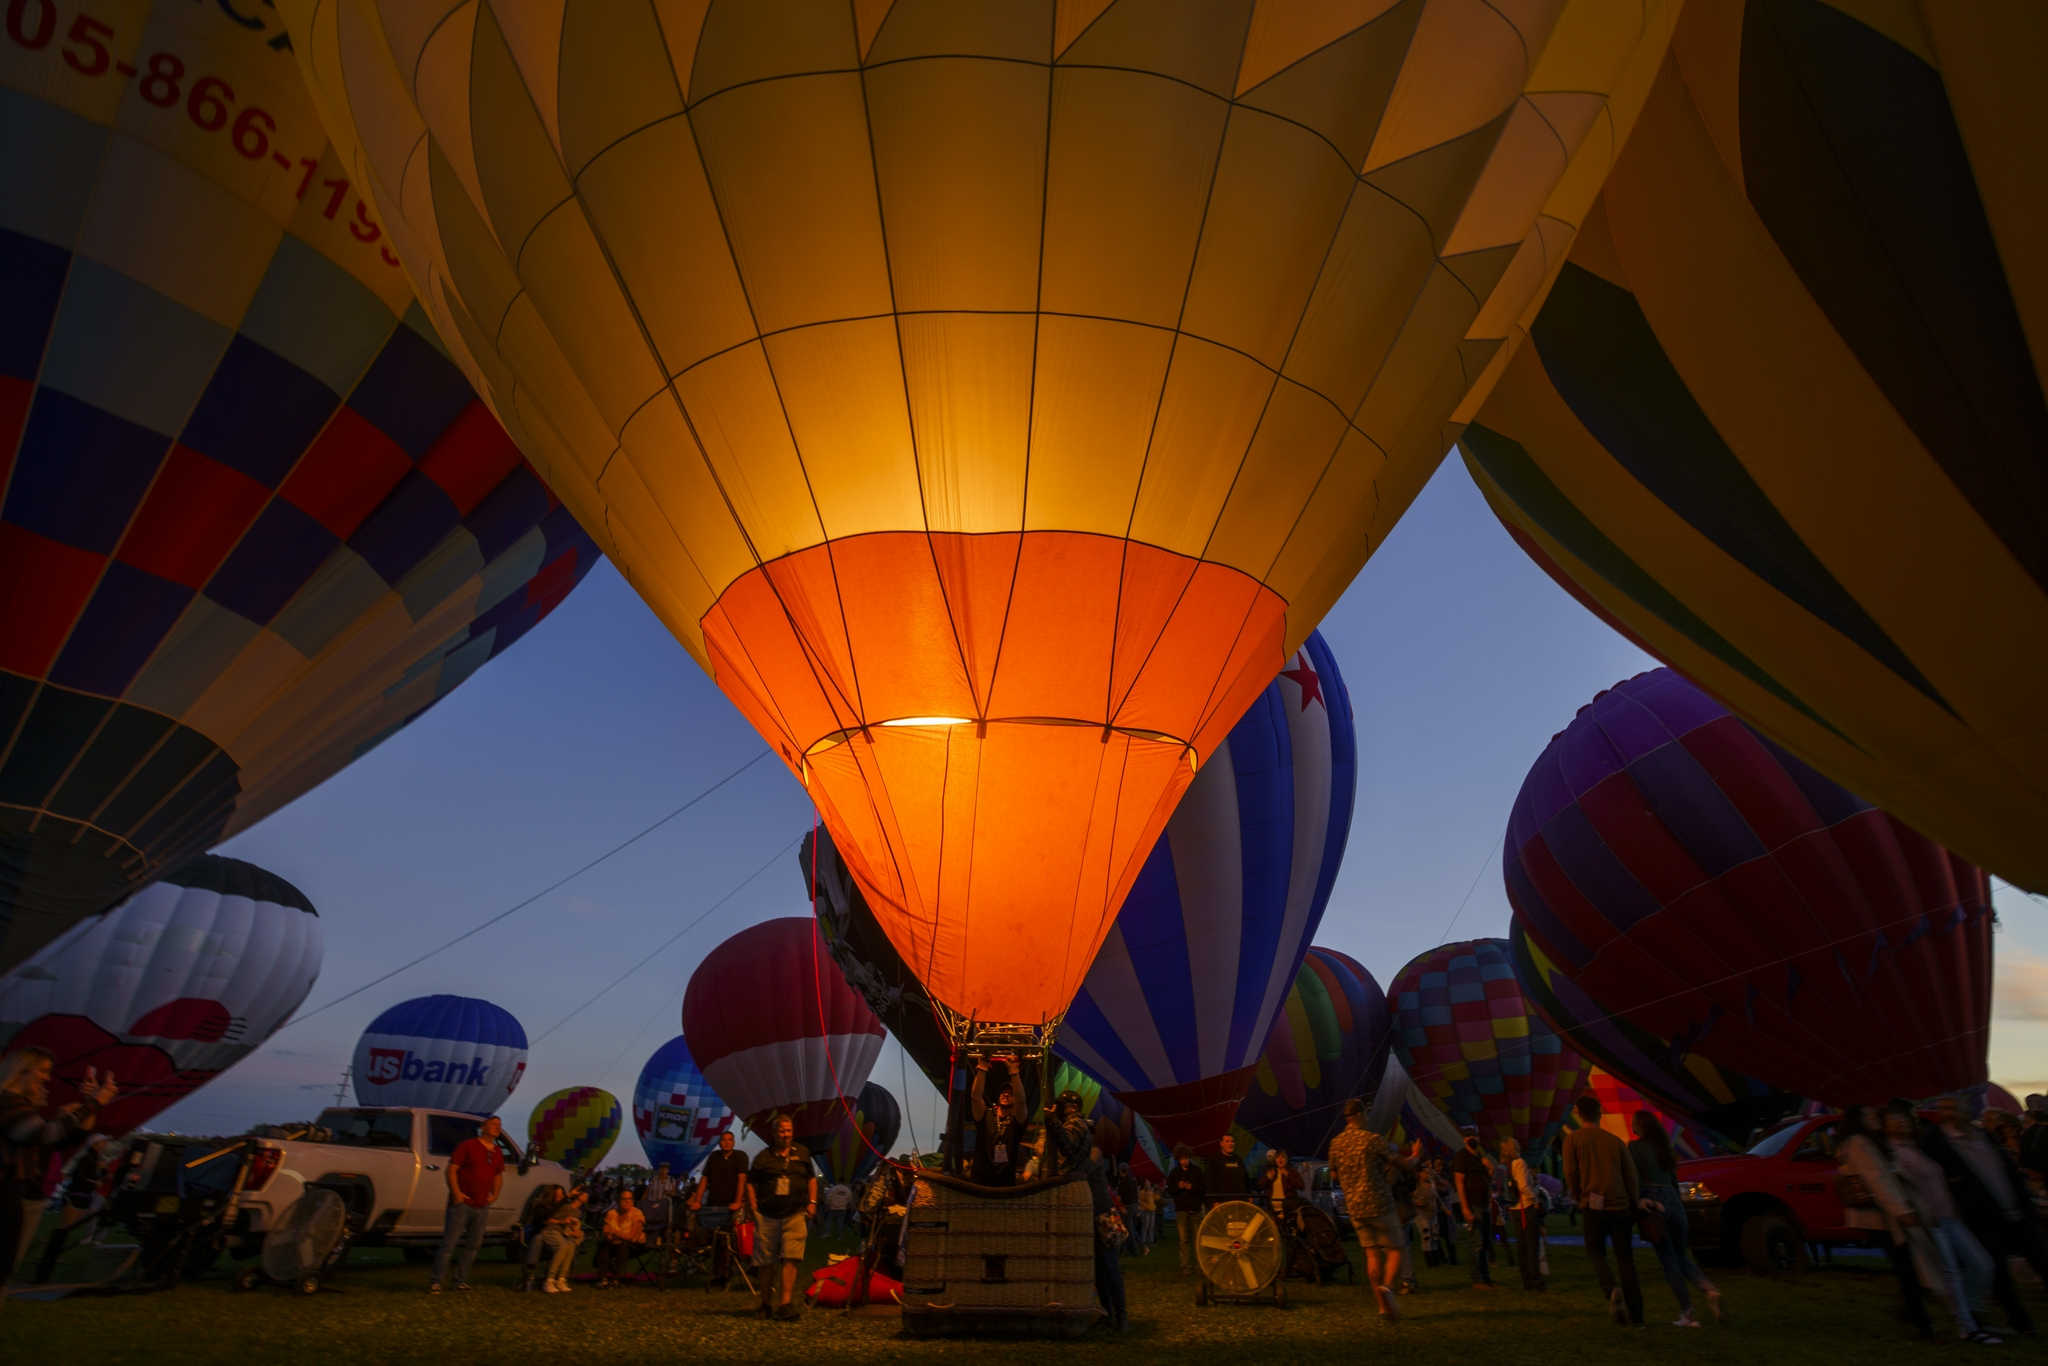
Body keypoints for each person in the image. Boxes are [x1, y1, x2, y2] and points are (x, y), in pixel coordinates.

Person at [1917, 1094, 2047, 1335]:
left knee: (2043, 1259)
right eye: (1944, 1108)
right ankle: (2020, 1324)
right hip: (1985, 1218)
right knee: (1999, 1274)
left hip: (2016, 1212)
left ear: (1967, 1109)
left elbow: (2007, 1168)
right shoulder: (1936, 1141)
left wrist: (2026, 1202)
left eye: (1954, 1107)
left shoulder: (1983, 1135)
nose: (1950, 1112)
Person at [1879, 1101, 2001, 1345]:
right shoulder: (1892, 1154)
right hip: (1930, 1221)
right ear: (1884, 1126)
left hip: (1949, 1217)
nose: (1901, 1121)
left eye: (1903, 1117)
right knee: (1951, 1274)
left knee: (1983, 1265)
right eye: (1894, 1118)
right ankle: (1967, 1327)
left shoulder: (1919, 1148)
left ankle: (1967, 1312)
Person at [1, 1049, 113, 1306]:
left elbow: (66, 1138)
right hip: (6, 1193)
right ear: (20, 1071)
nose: (47, 1079)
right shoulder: (6, 1102)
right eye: (42, 1070)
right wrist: (93, 1104)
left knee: (7, 1266)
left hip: (16, 1195)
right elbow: (47, 1134)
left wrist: (89, 1104)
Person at [1835, 1105, 1934, 1339]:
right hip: (1882, 1217)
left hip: (1878, 1216)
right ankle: (1922, 1323)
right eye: (1870, 1115)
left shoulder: (1857, 1142)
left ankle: (1915, 1314)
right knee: (1908, 1269)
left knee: (1908, 1268)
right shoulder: (1860, 1143)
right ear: (1859, 1120)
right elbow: (1877, 1179)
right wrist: (1901, 1210)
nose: (1876, 1119)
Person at [1325, 1097, 1420, 1319]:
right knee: (1396, 1249)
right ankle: (1388, 1286)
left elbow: (1334, 1174)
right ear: (1359, 1115)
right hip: (1380, 1204)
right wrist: (1416, 1155)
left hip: (1356, 1208)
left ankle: (1382, 1307)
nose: (1368, 1117)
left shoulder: (1335, 1143)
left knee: (1372, 1253)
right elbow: (1404, 1165)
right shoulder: (1373, 1140)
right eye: (1366, 1114)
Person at [1561, 1093, 1643, 1327]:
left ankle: (1611, 1288)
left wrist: (1578, 1196)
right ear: (1600, 1114)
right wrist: (1633, 1203)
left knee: (1596, 1252)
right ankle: (1638, 1318)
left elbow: (1569, 1172)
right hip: (1620, 1207)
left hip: (1593, 1207)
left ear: (1578, 1114)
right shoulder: (1615, 1141)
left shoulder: (1573, 1139)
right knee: (1626, 1261)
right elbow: (1631, 1176)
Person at [1627, 1111, 1716, 1324]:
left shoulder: (1635, 1147)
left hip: (1654, 1201)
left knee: (1668, 1260)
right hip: (1674, 1202)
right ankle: (1710, 1291)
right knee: (1681, 1255)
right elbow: (1675, 1182)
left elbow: (1635, 1177)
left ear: (1641, 1125)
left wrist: (1638, 1200)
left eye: (1634, 1121)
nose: (1631, 1124)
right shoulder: (1665, 1148)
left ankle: (1688, 1313)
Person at [746, 1116, 817, 1320]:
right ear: (774, 1133)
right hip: (767, 1216)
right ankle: (766, 1304)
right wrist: (753, 1208)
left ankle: (785, 1304)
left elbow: (811, 1179)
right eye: (782, 1131)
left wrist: (812, 1202)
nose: (786, 1135)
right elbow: (750, 1183)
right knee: (766, 1262)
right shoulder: (763, 1157)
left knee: (791, 1258)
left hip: (795, 1214)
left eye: (789, 1131)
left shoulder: (802, 1153)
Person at [431, 1114, 507, 1293]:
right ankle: (436, 1282)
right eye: (494, 1124)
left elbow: (497, 1175)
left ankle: (459, 1280)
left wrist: (494, 1195)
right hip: (462, 1203)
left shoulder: (497, 1152)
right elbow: (452, 1170)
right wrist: (457, 1193)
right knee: (449, 1244)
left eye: (500, 1125)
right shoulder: (468, 1146)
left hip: (482, 1205)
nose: (498, 1127)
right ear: (483, 1127)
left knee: (473, 1245)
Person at [1085, 1144, 1128, 1332]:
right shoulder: (1084, 1154)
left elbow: (1081, 1170)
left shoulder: (1093, 1152)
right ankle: (1107, 1314)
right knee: (1098, 1270)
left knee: (1110, 1266)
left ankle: (1121, 1317)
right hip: (1087, 1217)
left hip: (1103, 1216)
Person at [1450, 1128, 1498, 1290]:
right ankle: (1477, 1279)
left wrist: (1490, 1169)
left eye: (1474, 1136)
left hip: (1484, 1204)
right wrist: (1465, 1208)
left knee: (1485, 1242)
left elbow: (1488, 1180)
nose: (1471, 1139)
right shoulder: (1461, 1157)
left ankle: (1486, 1278)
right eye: (1468, 1136)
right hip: (1473, 1205)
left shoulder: (1480, 1158)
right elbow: (1459, 1182)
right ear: (1464, 1139)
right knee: (1476, 1242)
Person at [969, 1058, 1029, 1186]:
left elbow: (1021, 1101)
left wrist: (1014, 1071)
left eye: (1011, 1093)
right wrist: (982, 1068)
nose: (1006, 1095)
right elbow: (975, 1097)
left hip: (1006, 1184)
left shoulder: (1016, 1121)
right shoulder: (986, 1115)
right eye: (1004, 1092)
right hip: (980, 1182)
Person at [1499, 1136, 1547, 1292]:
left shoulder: (1505, 1166)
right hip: (1526, 1207)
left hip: (1514, 1209)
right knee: (1532, 1247)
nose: (1519, 1143)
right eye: (1516, 1143)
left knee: (1522, 1248)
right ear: (1512, 1148)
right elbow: (1524, 1186)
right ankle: (1537, 1283)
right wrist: (1535, 1200)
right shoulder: (1519, 1163)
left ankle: (1527, 1282)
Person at [693, 1130, 749, 1240]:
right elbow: (704, 1179)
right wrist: (697, 1201)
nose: (727, 1142)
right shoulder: (714, 1156)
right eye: (724, 1140)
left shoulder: (740, 1156)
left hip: (731, 1205)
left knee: (730, 1237)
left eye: (729, 1140)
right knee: (711, 1236)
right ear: (719, 1143)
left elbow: (742, 1179)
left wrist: (737, 1202)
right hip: (714, 1204)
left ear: (734, 1142)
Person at [1166, 1144, 1207, 1278]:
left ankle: (1200, 1267)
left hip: (1194, 1208)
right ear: (1178, 1159)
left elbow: (1203, 1189)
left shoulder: (1196, 1171)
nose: (1184, 1161)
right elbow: (1170, 1190)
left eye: (1186, 1158)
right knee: (1183, 1241)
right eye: (1181, 1159)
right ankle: (1186, 1268)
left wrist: (1191, 1187)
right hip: (1181, 1209)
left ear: (1189, 1157)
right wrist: (1178, 1186)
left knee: (1197, 1240)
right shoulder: (1174, 1173)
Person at [538, 1187, 589, 1293]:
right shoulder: (566, 1208)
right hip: (551, 1231)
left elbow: (569, 1227)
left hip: (561, 1234)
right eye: (586, 1193)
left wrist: (576, 1231)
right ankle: (549, 1280)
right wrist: (561, 1221)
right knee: (563, 1246)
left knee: (571, 1246)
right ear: (579, 1195)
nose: (588, 1195)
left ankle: (561, 1279)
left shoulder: (578, 1212)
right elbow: (547, 1220)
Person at [593, 1187, 646, 1287]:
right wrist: (608, 1235)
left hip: (633, 1245)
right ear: (618, 1201)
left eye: (629, 1199)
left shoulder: (637, 1214)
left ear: (633, 1201)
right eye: (624, 1199)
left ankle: (616, 1279)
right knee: (604, 1244)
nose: (627, 1201)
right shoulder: (611, 1213)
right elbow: (608, 1235)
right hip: (613, 1242)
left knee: (624, 1244)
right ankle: (603, 1279)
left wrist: (615, 1234)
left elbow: (631, 1237)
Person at [1045, 1090, 1093, 1180]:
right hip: (1073, 1181)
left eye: (1062, 1105)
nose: (1057, 1107)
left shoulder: (1074, 1122)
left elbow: (1067, 1148)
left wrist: (1053, 1120)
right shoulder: (1081, 1124)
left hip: (1065, 1182)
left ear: (1073, 1107)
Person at [1261, 1148, 1304, 1216]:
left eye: (1282, 1157)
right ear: (1275, 1160)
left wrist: (1288, 1175)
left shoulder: (1292, 1172)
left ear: (1286, 1160)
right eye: (1278, 1157)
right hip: (1273, 1208)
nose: (1280, 1159)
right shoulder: (1272, 1172)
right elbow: (1261, 1184)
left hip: (1287, 1208)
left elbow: (1301, 1186)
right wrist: (1268, 1177)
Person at [1135, 1181, 1159, 1254]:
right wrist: (1146, 1193)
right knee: (1145, 1226)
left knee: (1151, 1226)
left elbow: (1157, 1198)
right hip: (1145, 1210)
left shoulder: (1151, 1191)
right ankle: (1143, 1241)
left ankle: (1151, 1241)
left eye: (1149, 1182)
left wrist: (1155, 1191)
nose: (1148, 1184)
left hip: (1152, 1210)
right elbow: (1144, 1199)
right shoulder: (1142, 1191)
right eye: (1146, 1183)